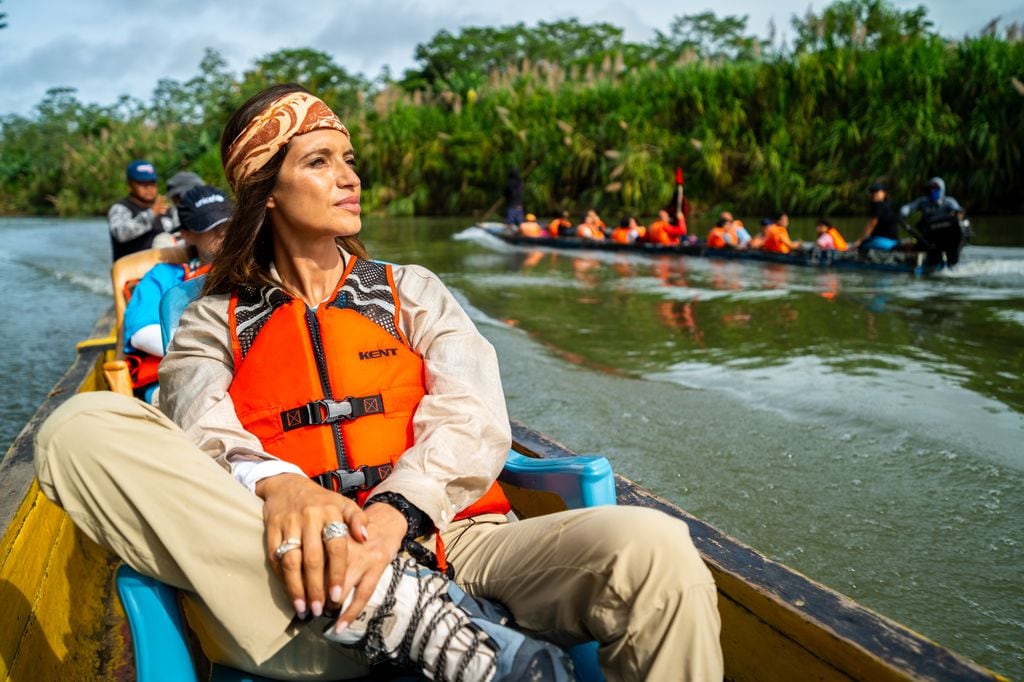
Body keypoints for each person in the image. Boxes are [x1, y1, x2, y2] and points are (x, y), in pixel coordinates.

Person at [34, 84, 723, 681]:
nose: (349, 177)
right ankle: (412, 619)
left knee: (655, 552)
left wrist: (395, 514)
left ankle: (420, 613)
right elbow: (200, 433)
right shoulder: (213, 322)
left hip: (462, 547)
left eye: (349, 161)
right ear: (265, 192)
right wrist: (282, 485)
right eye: (319, 161)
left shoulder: (410, 292)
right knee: (77, 431)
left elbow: (473, 416)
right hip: (299, 584)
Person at [121, 185, 231, 402]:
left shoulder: (255, 269)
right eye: (211, 227)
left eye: (229, 223)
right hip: (181, 381)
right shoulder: (164, 276)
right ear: (187, 234)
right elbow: (142, 334)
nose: (224, 232)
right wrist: (215, 354)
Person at [107, 159, 177, 260]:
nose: (149, 188)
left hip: (165, 267)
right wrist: (151, 214)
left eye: (152, 183)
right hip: (134, 270)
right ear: (130, 186)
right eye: (142, 183)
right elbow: (121, 234)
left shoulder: (166, 208)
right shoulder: (120, 208)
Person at [900, 176, 968, 266]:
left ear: (942, 189)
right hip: (929, 235)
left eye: (935, 188)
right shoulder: (923, 201)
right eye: (931, 188)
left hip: (947, 234)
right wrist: (903, 212)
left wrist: (958, 214)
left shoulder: (949, 202)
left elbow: (959, 211)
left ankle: (950, 261)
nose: (933, 191)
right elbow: (909, 207)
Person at [853, 182, 901, 252]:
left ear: (884, 193)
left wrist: (859, 241)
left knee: (862, 246)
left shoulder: (878, 206)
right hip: (895, 242)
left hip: (884, 242)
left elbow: (871, 225)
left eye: (877, 191)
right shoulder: (891, 205)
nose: (874, 194)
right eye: (872, 192)